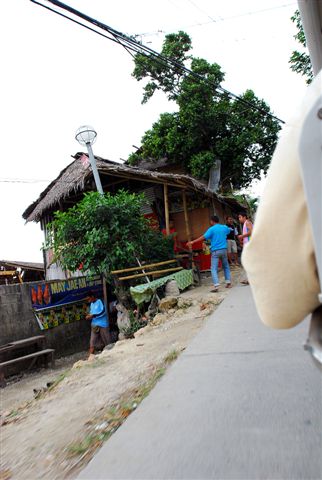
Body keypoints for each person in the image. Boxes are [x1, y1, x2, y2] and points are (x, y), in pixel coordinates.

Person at [187, 215, 231, 292]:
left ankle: (216, 285)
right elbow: (229, 230)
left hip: (215, 251)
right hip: (224, 250)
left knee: (213, 268)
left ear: (212, 221)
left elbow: (203, 237)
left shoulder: (211, 229)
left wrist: (193, 242)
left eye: (210, 221)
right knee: (226, 266)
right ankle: (228, 283)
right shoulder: (224, 227)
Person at [86, 291, 110, 359]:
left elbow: (103, 312)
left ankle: (109, 355)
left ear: (92, 297)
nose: (88, 301)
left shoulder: (100, 301)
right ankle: (90, 358)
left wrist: (93, 316)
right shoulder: (91, 304)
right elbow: (92, 313)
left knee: (107, 342)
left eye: (89, 299)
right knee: (92, 342)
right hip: (94, 325)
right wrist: (89, 316)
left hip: (103, 324)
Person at [238, 213, 253, 285]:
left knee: (248, 262)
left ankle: (250, 279)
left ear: (244, 217)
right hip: (247, 244)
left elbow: (251, 231)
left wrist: (242, 236)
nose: (239, 219)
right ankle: (249, 279)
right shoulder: (245, 223)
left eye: (240, 217)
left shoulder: (247, 222)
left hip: (249, 245)